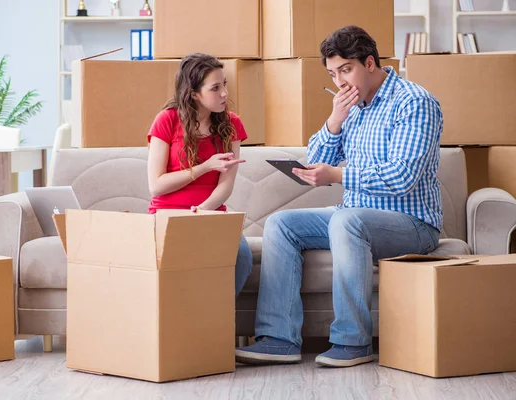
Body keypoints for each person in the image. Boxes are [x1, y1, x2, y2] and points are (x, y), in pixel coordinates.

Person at [235, 25, 443, 367]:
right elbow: (318, 160)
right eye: (333, 74)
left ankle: (353, 342)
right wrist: (335, 120)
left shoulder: (414, 102)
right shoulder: (352, 107)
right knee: (282, 224)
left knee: (348, 220)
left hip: (412, 224)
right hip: (356, 216)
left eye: (346, 70)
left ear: (370, 63)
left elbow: (403, 176)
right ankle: (279, 337)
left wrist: (337, 175)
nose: (340, 82)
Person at [147, 52, 253, 297]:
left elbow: (226, 186)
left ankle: (215, 320)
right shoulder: (167, 120)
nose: (225, 93)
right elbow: (156, 185)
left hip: (210, 215)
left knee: (242, 256)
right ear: (194, 93)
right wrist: (205, 166)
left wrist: (201, 213)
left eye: (224, 84)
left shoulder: (232, 124)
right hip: (167, 216)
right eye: (215, 88)